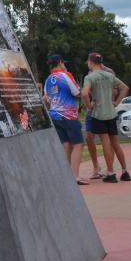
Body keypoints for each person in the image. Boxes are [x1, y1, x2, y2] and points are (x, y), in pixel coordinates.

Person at [82, 52, 131, 183]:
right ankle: (125, 171)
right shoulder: (109, 75)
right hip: (111, 112)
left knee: (105, 142)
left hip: (99, 113)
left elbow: (85, 93)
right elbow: (125, 88)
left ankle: (111, 173)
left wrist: (89, 106)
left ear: (91, 62)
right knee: (115, 143)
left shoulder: (90, 77)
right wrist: (116, 102)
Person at [43, 54, 87, 185]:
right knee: (78, 144)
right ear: (60, 62)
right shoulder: (65, 75)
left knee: (66, 145)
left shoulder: (48, 79)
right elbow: (78, 93)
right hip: (68, 115)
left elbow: (46, 99)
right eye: (64, 63)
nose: (65, 65)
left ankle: (65, 176)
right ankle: (75, 176)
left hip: (54, 115)